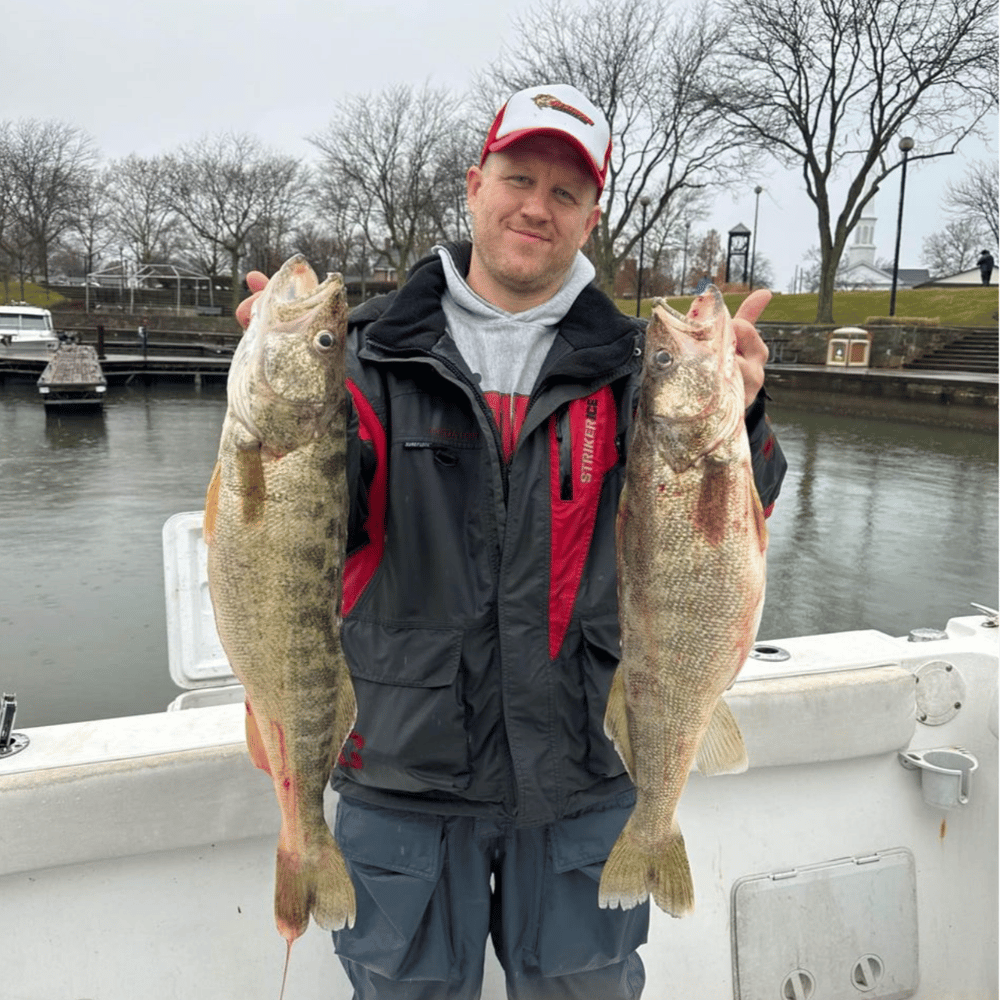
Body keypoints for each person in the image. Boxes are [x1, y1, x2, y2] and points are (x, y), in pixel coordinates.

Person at [238, 83, 787, 1000]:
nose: (537, 205)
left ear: (590, 218)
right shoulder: (369, 354)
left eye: (566, 192)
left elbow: (727, 529)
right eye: (518, 177)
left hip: (584, 770)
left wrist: (748, 410)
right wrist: (274, 376)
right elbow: (304, 527)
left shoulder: (632, 363)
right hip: (400, 768)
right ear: (473, 185)